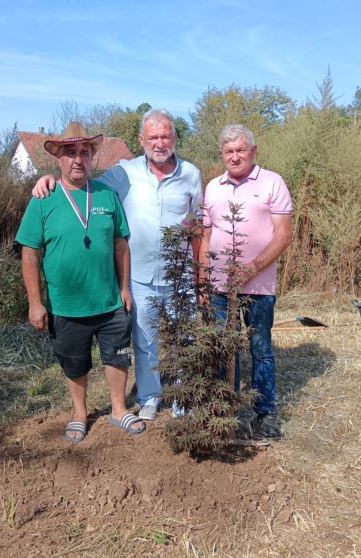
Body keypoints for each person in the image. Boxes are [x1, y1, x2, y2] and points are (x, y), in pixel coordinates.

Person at [31, 109, 203, 421]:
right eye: (153, 137)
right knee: (144, 340)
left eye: (165, 136)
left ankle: (183, 400)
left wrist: (200, 273)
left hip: (180, 277)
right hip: (139, 276)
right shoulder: (123, 173)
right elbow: (83, 182)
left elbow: (198, 226)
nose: (160, 143)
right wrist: (52, 178)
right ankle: (150, 397)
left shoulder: (191, 174)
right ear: (141, 140)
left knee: (183, 338)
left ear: (175, 138)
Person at [16, 121, 145, 442]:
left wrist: (125, 288)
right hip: (65, 305)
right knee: (74, 363)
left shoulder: (105, 194)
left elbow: (120, 244)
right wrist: (35, 303)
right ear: (58, 158)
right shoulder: (43, 198)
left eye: (84, 152)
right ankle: (79, 413)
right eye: (70, 152)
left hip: (109, 301)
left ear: (92, 157)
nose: (78, 159)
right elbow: (29, 254)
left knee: (117, 357)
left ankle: (118, 410)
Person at [200, 124, 293, 438]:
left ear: (253, 151)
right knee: (224, 348)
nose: (235, 156)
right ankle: (226, 410)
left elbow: (284, 235)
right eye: (229, 151)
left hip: (259, 287)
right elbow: (207, 234)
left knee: (260, 347)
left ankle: (264, 412)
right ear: (221, 154)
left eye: (241, 150)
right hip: (219, 288)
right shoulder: (212, 187)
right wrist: (203, 278)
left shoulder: (272, 183)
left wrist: (252, 267)